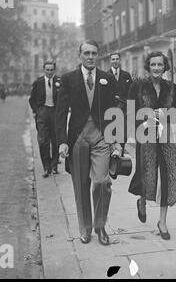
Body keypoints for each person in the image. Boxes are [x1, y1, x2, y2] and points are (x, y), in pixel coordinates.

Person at [55, 40, 121, 246]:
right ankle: (85, 229)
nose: (90, 57)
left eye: (94, 53)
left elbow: (114, 112)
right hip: (78, 139)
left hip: (101, 137)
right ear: (80, 55)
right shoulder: (68, 79)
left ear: (98, 55)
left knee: (102, 182)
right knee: (81, 185)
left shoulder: (108, 79)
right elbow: (60, 112)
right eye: (86, 53)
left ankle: (100, 225)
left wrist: (116, 141)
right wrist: (62, 142)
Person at [128, 51, 176, 241]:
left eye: (160, 65)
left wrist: (165, 115)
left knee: (169, 175)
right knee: (146, 174)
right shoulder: (138, 86)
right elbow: (130, 112)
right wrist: (145, 120)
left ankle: (162, 222)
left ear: (165, 67)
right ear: (148, 67)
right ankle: (142, 202)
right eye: (153, 65)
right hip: (146, 135)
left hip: (166, 137)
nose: (157, 68)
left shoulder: (172, 88)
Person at [29, 60, 61, 178]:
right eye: (47, 70)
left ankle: (54, 165)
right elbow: (31, 99)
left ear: (54, 70)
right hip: (42, 113)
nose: (49, 72)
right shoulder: (38, 83)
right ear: (44, 70)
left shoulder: (59, 82)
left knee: (56, 140)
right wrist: (37, 111)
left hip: (55, 113)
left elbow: (63, 98)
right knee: (43, 141)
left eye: (51, 70)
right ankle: (46, 167)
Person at [107, 52, 132, 152]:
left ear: (120, 60)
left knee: (123, 132)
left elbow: (131, 92)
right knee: (112, 132)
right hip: (111, 109)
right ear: (110, 61)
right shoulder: (106, 75)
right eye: (113, 59)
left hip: (124, 109)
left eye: (117, 59)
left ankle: (121, 152)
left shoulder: (126, 75)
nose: (115, 61)